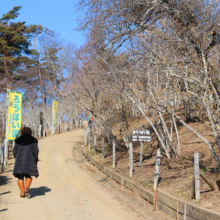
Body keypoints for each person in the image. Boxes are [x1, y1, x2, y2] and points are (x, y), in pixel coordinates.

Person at [13, 127, 39, 198]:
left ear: (22, 132)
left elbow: (14, 151)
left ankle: (22, 192)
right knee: (28, 175)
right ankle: (27, 188)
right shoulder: (33, 140)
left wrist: (17, 157)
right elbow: (35, 151)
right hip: (30, 159)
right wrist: (34, 159)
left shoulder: (18, 140)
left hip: (19, 160)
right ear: (30, 132)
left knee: (20, 176)